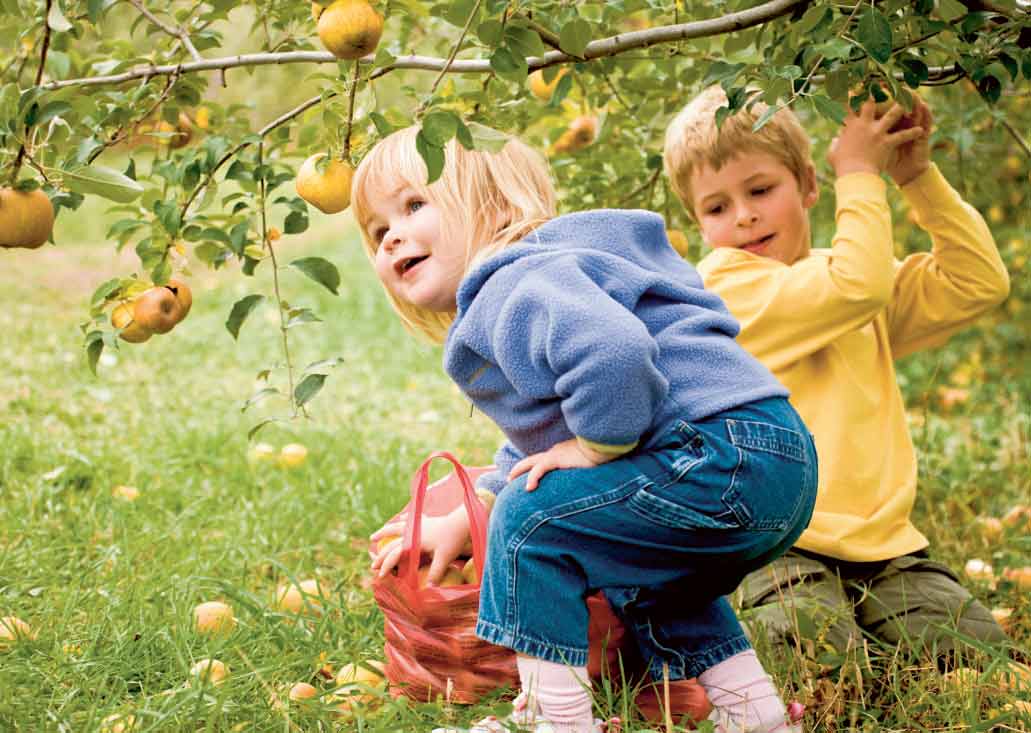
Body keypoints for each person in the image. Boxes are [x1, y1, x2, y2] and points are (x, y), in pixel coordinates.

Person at [355, 125, 818, 733]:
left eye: (415, 204)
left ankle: (555, 719)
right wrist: (474, 510)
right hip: (771, 458)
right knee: (642, 569)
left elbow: (615, 355)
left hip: (714, 454)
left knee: (533, 520)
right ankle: (753, 713)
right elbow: (547, 431)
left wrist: (595, 446)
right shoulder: (553, 272)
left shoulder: (511, 283)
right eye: (376, 229)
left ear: (493, 207)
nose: (392, 236)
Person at [662, 86, 1011, 664]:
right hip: (771, 543)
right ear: (699, 226)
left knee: (976, 653)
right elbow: (859, 285)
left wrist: (916, 176)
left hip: (884, 549)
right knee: (817, 656)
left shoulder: (847, 279)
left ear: (808, 186)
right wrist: (858, 170)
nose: (744, 215)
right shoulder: (722, 290)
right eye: (717, 207)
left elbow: (978, 282)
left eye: (760, 190)